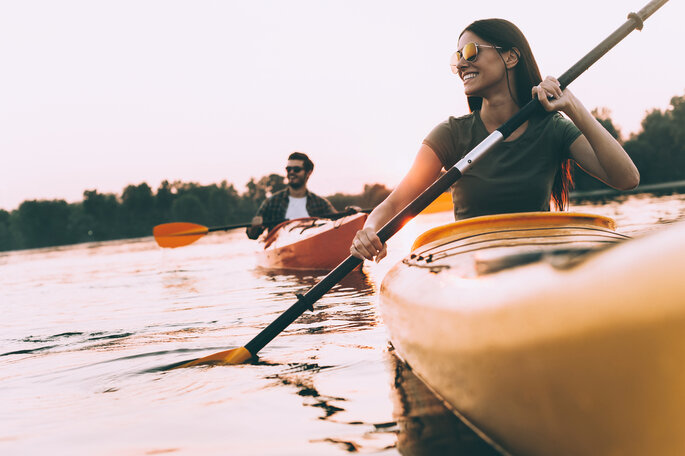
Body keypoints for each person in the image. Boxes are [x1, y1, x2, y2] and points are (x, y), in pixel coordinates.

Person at [350, 18, 639, 262]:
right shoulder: (451, 134)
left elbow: (627, 179)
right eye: (457, 58)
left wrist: (572, 106)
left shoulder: (552, 128)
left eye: (470, 52)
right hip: (472, 260)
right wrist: (370, 230)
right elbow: (395, 204)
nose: (462, 64)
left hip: (538, 258)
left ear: (510, 57)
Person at [246, 152, 338, 239]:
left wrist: (350, 213)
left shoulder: (320, 203)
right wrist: (254, 228)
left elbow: (339, 222)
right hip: (280, 250)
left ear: (309, 172)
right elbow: (252, 235)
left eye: (296, 169)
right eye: (288, 169)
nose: (291, 172)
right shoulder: (272, 202)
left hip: (312, 246)